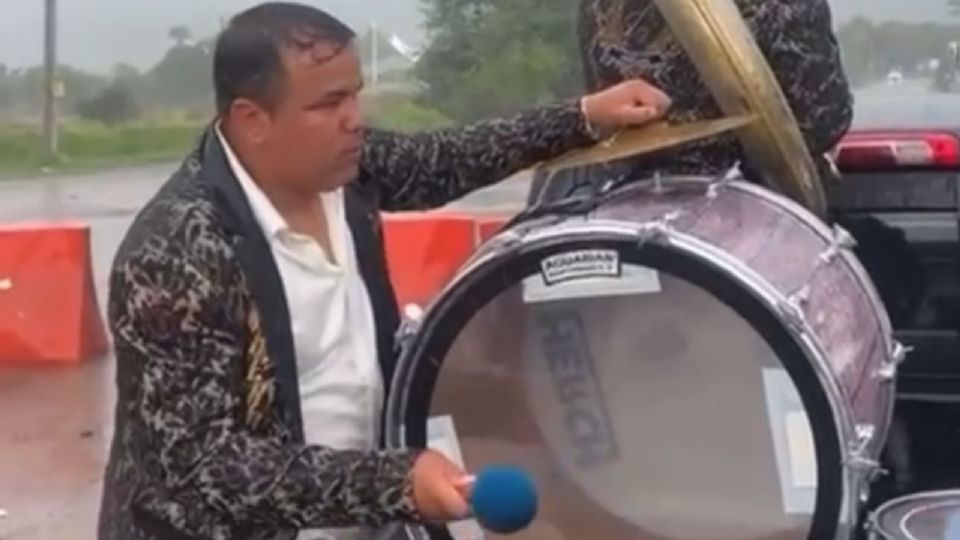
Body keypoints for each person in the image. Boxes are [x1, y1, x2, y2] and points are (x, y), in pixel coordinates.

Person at [95, 3, 672, 540]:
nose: (354, 120)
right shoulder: (173, 253)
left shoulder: (344, 171)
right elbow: (203, 464)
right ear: (252, 120)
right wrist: (393, 484)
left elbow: (444, 160)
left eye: (355, 95)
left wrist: (584, 116)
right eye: (328, 104)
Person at [528, 0, 854, 205]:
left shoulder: (598, 6)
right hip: (749, 204)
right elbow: (824, 123)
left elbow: (602, 106)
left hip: (624, 199)